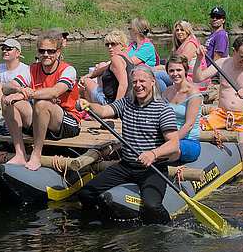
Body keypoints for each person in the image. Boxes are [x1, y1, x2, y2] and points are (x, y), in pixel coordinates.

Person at [78, 65, 179, 224]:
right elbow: (104, 111)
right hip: (126, 166)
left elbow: (173, 144)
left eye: (142, 81)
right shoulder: (126, 102)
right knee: (86, 193)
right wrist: (89, 106)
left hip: (152, 169)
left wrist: (153, 154)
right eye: (135, 82)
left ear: (153, 82)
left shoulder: (163, 109)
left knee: (151, 206)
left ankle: (169, 229)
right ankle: (97, 224)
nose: (138, 85)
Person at [1, 31, 81, 170]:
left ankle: (36, 155)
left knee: (42, 103)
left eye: (50, 51)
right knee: (7, 100)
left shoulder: (68, 70)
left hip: (67, 122)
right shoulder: (32, 69)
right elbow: (6, 87)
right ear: (38, 52)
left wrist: (27, 95)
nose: (46, 54)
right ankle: (20, 153)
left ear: (58, 52)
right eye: (42, 51)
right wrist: (18, 90)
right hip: (40, 120)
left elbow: (55, 92)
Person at [193, 36, 243, 178]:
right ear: (234, 51)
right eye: (242, 56)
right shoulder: (222, 63)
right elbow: (198, 78)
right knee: (193, 129)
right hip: (220, 115)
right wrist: (200, 59)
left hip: (241, 119)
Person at [162, 54, 202, 163]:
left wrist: (171, 142)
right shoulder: (167, 92)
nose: (175, 74)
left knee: (170, 150)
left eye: (178, 70)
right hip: (168, 136)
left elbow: (188, 125)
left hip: (188, 141)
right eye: (171, 71)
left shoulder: (193, 93)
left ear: (185, 70)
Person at [79, 30, 134, 105]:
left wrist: (116, 108)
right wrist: (88, 75)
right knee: (87, 78)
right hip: (128, 100)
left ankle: (89, 111)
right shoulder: (127, 58)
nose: (110, 47)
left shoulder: (116, 59)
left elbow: (123, 84)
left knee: (86, 82)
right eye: (108, 44)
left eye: (113, 44)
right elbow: (103, 69)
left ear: (122, 45)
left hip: (111, 102)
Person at [154, 20, 209, 92]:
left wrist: (159, 67)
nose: (179, 32)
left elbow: (180, 65)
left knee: (157, 75)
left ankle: (165, 98)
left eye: (182, 30)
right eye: (177, 30)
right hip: (182, 75)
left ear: (188, 31)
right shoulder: (181, 45)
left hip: (194, 80)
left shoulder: (191, 44)